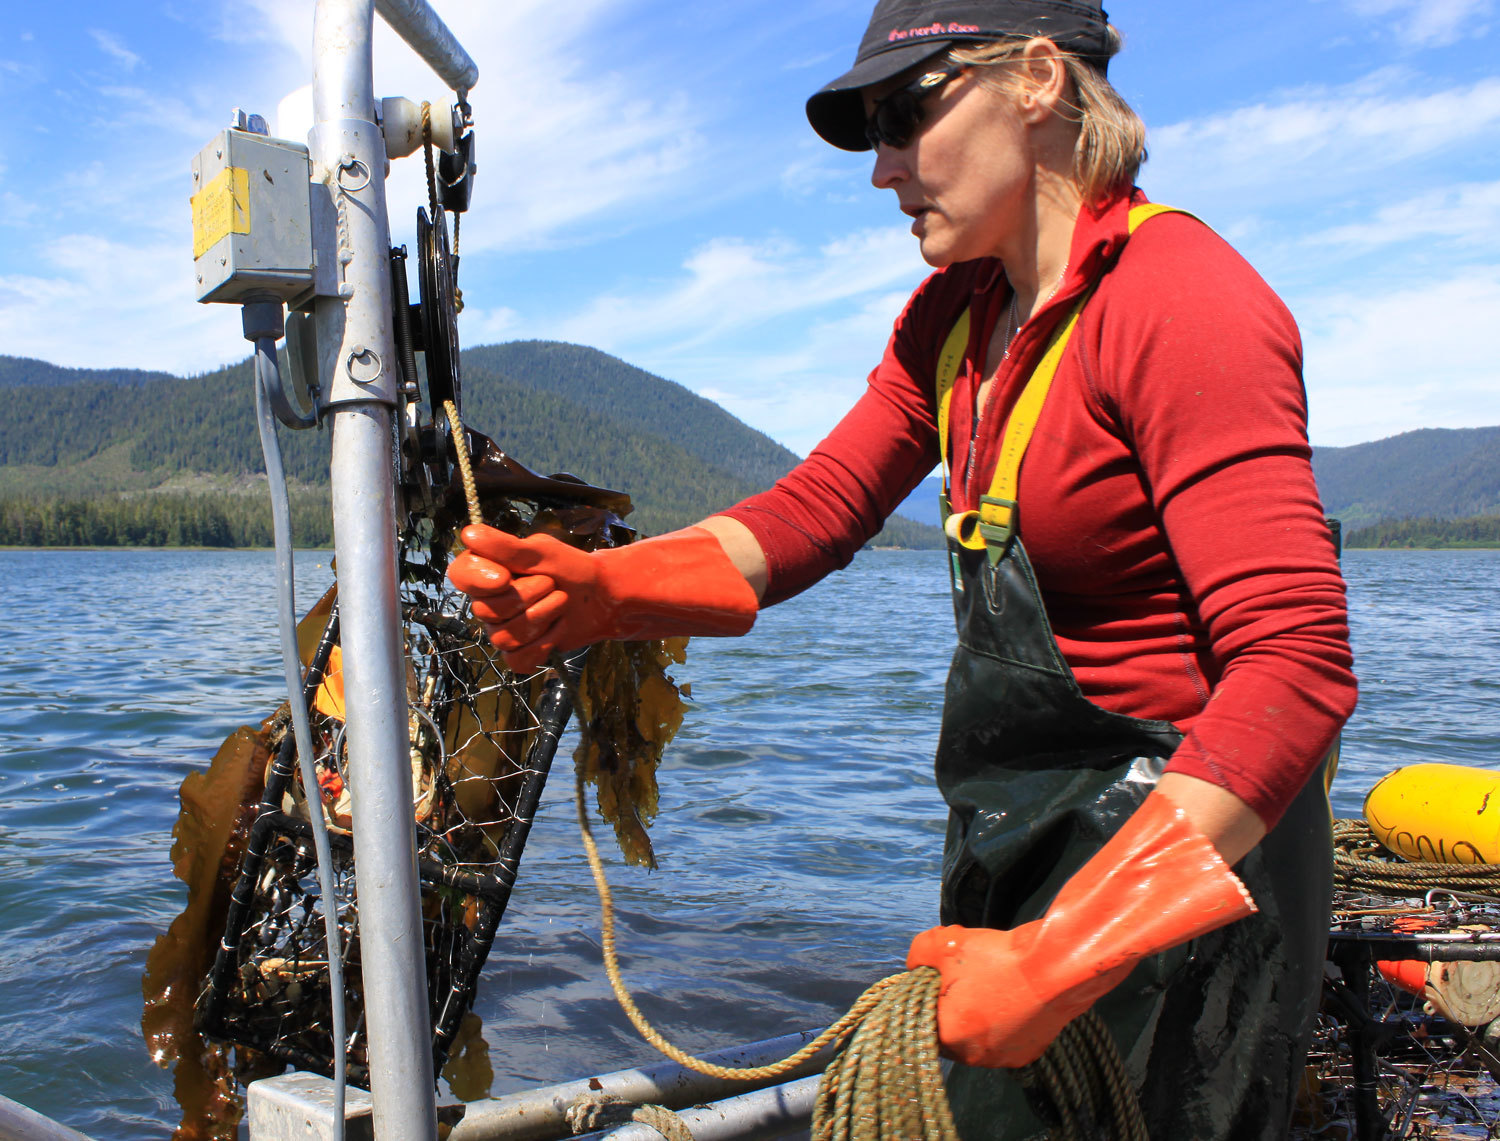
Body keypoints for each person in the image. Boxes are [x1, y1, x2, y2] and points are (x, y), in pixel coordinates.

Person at [447, 0, 1357, 1135]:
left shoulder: (1183, 298)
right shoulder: (953, 320)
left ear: (1035, 80)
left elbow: (1299, 667)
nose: (882, 169)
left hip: (1187, 896)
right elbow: (819, 510)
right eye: (870, 130)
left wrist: (1066, 952)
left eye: (904, 116)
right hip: (1018, 857)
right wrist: (601, 592)